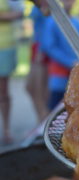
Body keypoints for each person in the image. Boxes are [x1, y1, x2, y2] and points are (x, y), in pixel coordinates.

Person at [40, 0, 79, 110]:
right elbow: (49, 47)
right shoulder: (51, 21)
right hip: (59, 72)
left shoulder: (77, 22)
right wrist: (69, 62)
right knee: (55, 106)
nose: (68, 2)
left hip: (77, 70)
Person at [0, 0, 23, 144]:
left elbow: (20, 13)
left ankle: (6, 129)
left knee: (3, 92)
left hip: (6, 46)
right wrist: (12, 15)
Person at [26, 3, 50, 123]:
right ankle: (41, 121)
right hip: (36, 46)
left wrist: (41, 50)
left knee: (40, 90)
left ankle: (43, 123)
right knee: (30, 87)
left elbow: (49, 23)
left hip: (42, 49)